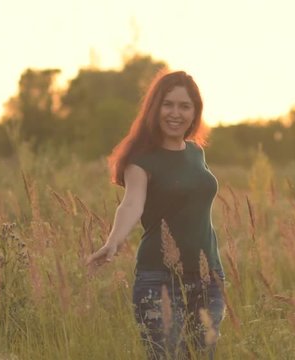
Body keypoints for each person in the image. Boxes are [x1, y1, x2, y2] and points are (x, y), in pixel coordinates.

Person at [87, 70, 226, 360]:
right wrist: (114, 241)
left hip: (207, 277)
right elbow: (131, 204)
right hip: (159, 279)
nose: (176, 113)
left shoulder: (196, 153)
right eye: (168, 104)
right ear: (155, 108)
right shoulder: (141, 159)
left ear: (195, 112)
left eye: (184, 106)